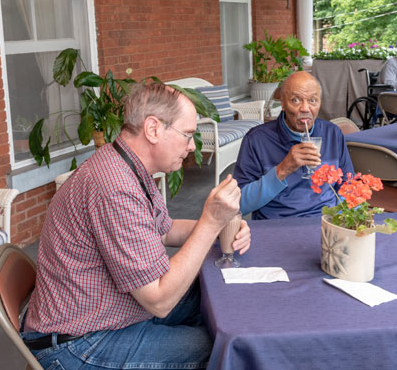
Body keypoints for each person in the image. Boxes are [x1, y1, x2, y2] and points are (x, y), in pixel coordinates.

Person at [21, 83, 251, 370]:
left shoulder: (127, 165)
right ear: (153, 129)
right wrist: (210, 221)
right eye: (188, 134)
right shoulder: (114, 187)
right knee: (222, 347)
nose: (192, 145)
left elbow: (165, 230)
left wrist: (220, 228)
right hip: (80, 341)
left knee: (209, 295)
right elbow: (159, 301)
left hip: (110, 311)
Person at [233, 71, 354, 220]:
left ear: (320, 103)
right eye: (296, 100)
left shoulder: (332, 133)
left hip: (326, 221)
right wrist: (283, 169)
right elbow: (239, 205)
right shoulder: (257, 139)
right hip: (276, 225)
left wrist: (340, 222)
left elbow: (348, 187)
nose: (305, 108)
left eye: (312, 100)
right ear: (283, 103)